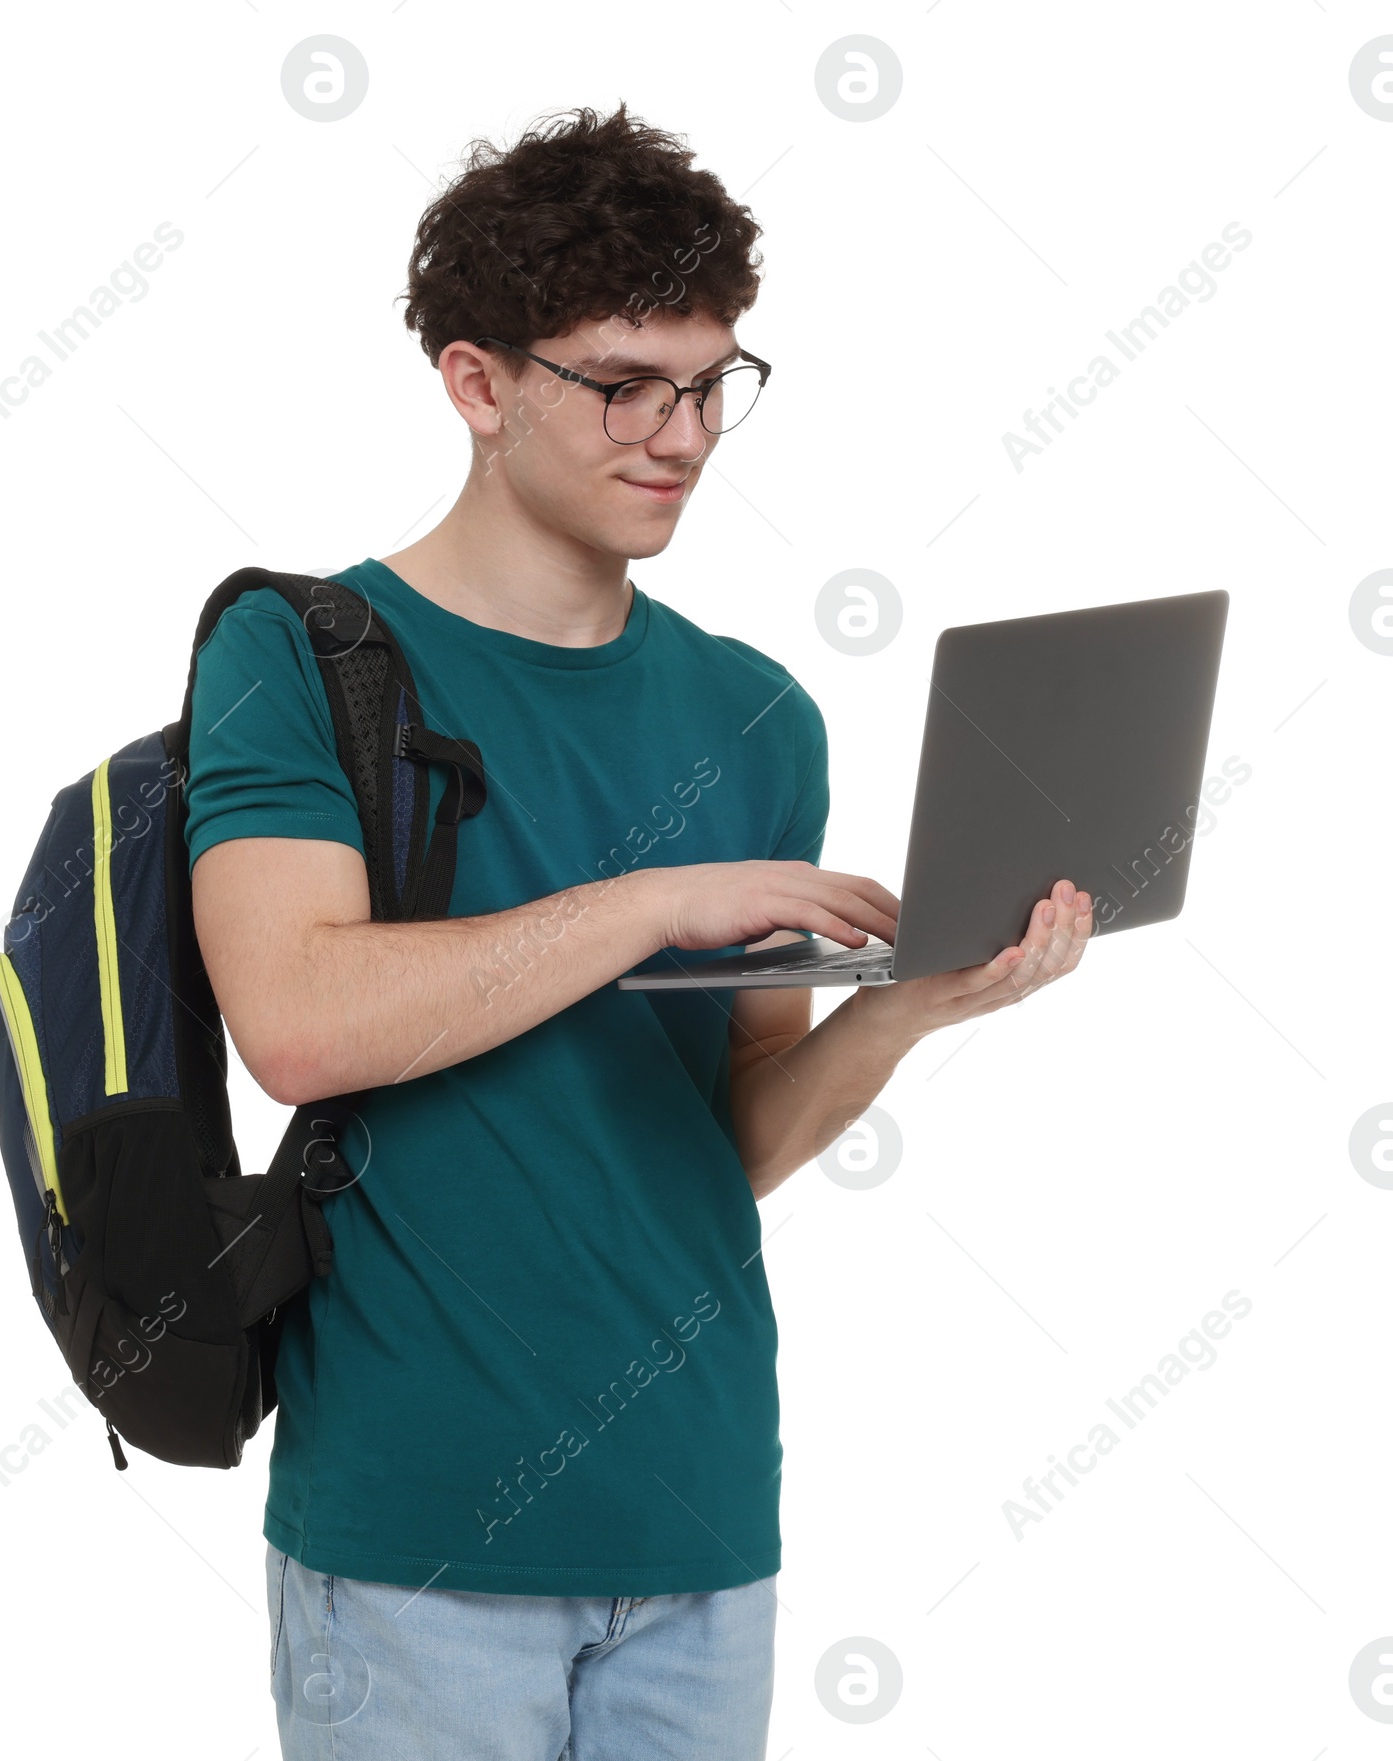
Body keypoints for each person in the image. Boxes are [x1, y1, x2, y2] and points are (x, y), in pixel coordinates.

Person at [185, 102, 1090, 1761]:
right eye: (621, 383)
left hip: (697, 1520)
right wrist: (661, 903)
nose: (677, 433)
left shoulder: (758, 719)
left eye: (711, 382)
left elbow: (718, 1140)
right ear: (476, 383)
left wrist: (908, 1007)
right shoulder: (295, 652)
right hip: (421, 1532)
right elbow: (298, 1019)